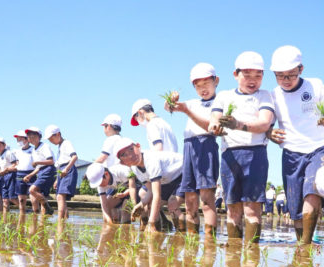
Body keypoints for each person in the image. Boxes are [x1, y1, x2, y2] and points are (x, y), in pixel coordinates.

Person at [268, 45, 324, 245]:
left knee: (312, 191)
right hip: (291, 151)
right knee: (294, 203)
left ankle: (306, 245)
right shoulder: (273, 95)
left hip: (319, 147)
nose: (286, 81)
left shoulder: (315, 85)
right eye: (280, 76)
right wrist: (269, 133)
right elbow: (268, 125)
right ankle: (300, 243)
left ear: (301, 69)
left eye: (290, 75)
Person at [208, 51, 275, 243]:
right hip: (230, 155)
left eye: (258, 75)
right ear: (236, 74)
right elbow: (214, 119)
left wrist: (238, 125)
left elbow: (264, 123)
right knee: (232, 208)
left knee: (252, 210)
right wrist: (214, 127)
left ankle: (251, 258)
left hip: (255, 155)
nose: (252, 80)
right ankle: (234, 256)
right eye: (247, 75)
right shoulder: (224, 96)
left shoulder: (265, 96)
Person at [166, 62, 220, 237]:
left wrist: (187, 111)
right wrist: (171, 101)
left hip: (206, 146)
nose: (203, 89)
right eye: (198, 86)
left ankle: (210, 239)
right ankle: (192, 238)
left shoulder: (220, 102)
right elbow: (169, 108)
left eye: (207, 84)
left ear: (216, 81)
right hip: (188, 147)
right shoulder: (192, 102)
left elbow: (212, 128)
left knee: (206, 198)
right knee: (190, 199)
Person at [116, 138, 184, 232]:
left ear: (138, 147)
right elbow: (151, 190)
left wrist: (151, 223)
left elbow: (157, 195)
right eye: (124, 155)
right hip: (167, 179)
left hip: (183, 172)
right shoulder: (135, 168)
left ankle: (181, 236)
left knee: (172, 204)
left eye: (131, 149)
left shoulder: (150, 160)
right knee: (148, 201)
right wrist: (141, 204)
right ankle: (161, 228)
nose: (130, 156)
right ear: (123, 162)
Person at [46, 125, 78, 219]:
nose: (51, 141)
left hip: (68, 169)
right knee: (60, 198)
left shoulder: (66, 143)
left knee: (60, 197)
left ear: (58, 134)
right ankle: (64, 220)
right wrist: (57, 179)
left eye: (51, 138)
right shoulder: (60, 146)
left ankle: (60, 221)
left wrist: (66, 169)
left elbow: (74, 157)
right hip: (62, 171)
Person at [23, 127, 56, 215]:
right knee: (42, 195)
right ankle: (44, 218)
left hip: (48, 170)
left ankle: (48, 207)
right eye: (29, 136)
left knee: (32, 190)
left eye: (34, 135)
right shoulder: (34, 150)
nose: (31, 138)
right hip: (42, 171)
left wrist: (37, 162)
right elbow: (38, 167)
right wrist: (30, 175)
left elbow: (51, 161)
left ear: (39, 136)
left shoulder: (44, 146)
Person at [13, 130, 34, 213]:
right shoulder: (16, 151)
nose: (18, 141)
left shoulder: (33, 149)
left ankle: (35, 213)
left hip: (31, 173)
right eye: (17, 140)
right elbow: (16, 163)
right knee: (21, 199)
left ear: (27, 139)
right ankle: (22, 214)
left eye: (20, 139)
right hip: (19, 174)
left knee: (33, 197)